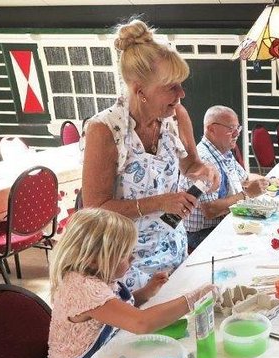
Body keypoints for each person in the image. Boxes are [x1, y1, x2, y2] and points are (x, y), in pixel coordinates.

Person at [81, 19, 219, 290]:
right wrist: (159, 203)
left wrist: (204, 172)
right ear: (139, 90)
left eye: (181, 84)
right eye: (171, 86)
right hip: (125, 261)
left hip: (173, 246)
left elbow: (191, 163)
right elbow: (95, 209)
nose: (182, 93)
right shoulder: (105, 130)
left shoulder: (175, 116)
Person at [44, 208, 216, 358]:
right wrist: (194, 298)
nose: (133, 259)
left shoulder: (94, 275)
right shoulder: (81, 287)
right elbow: (141, 323)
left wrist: (144, 294)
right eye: (126, 255)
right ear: (94, 259)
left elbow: (111, 311)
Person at [182, 105, 268, 250]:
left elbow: (245, 178)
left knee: (264, 233)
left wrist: (270, 181)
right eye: (231, 129)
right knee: (254, 247)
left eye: (238, 129)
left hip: (223, 223)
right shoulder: (203, 159)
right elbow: (210, 210)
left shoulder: (224, 151)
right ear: (211, 129)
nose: (236, 134)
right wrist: (247, 194)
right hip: (202, 233)